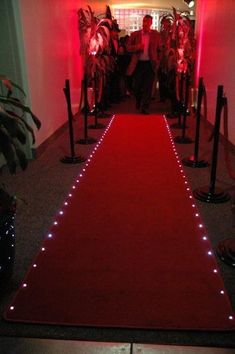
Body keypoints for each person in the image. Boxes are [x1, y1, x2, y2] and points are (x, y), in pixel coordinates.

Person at [126, 14, 160, 114]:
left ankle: (144, 107)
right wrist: (137, 47)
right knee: (137, 86)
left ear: (151, 23)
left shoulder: (155, 35)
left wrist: (158, 60)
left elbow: (159, 49)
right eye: (144, 21)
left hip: (150, 64)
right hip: (138, 64)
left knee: (148, 86)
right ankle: (138, 100)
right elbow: (127, 47)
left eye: (148, 22)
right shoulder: (135, 34)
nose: (145, 23)